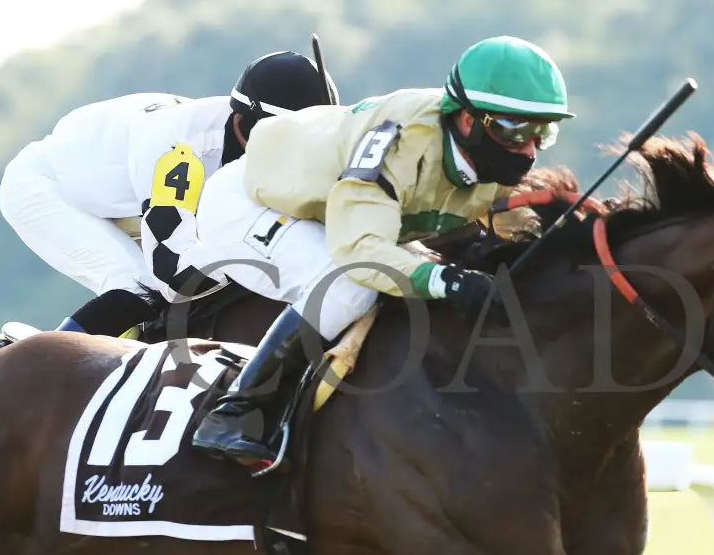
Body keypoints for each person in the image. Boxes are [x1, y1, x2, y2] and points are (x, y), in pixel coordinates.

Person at [188, 35, 573, 467]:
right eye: (515, 130)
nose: (529, 149)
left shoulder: (486, 157)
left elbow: (496, 226)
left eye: (543, 132)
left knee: (428, 278)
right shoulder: (399, 143)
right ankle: (238, 412)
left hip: (328, 210)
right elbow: (361, 251)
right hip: (248, 202)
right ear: (467, 120)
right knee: (351, 285)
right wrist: (446, 279)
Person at [0, 50, 339, 341]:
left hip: (122, 191)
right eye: (290, 142)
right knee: (139, 288)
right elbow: (172, 274)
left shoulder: (242, 135)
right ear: (242, 127)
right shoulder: (179, 151)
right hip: (45, 190)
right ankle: (41, 365)